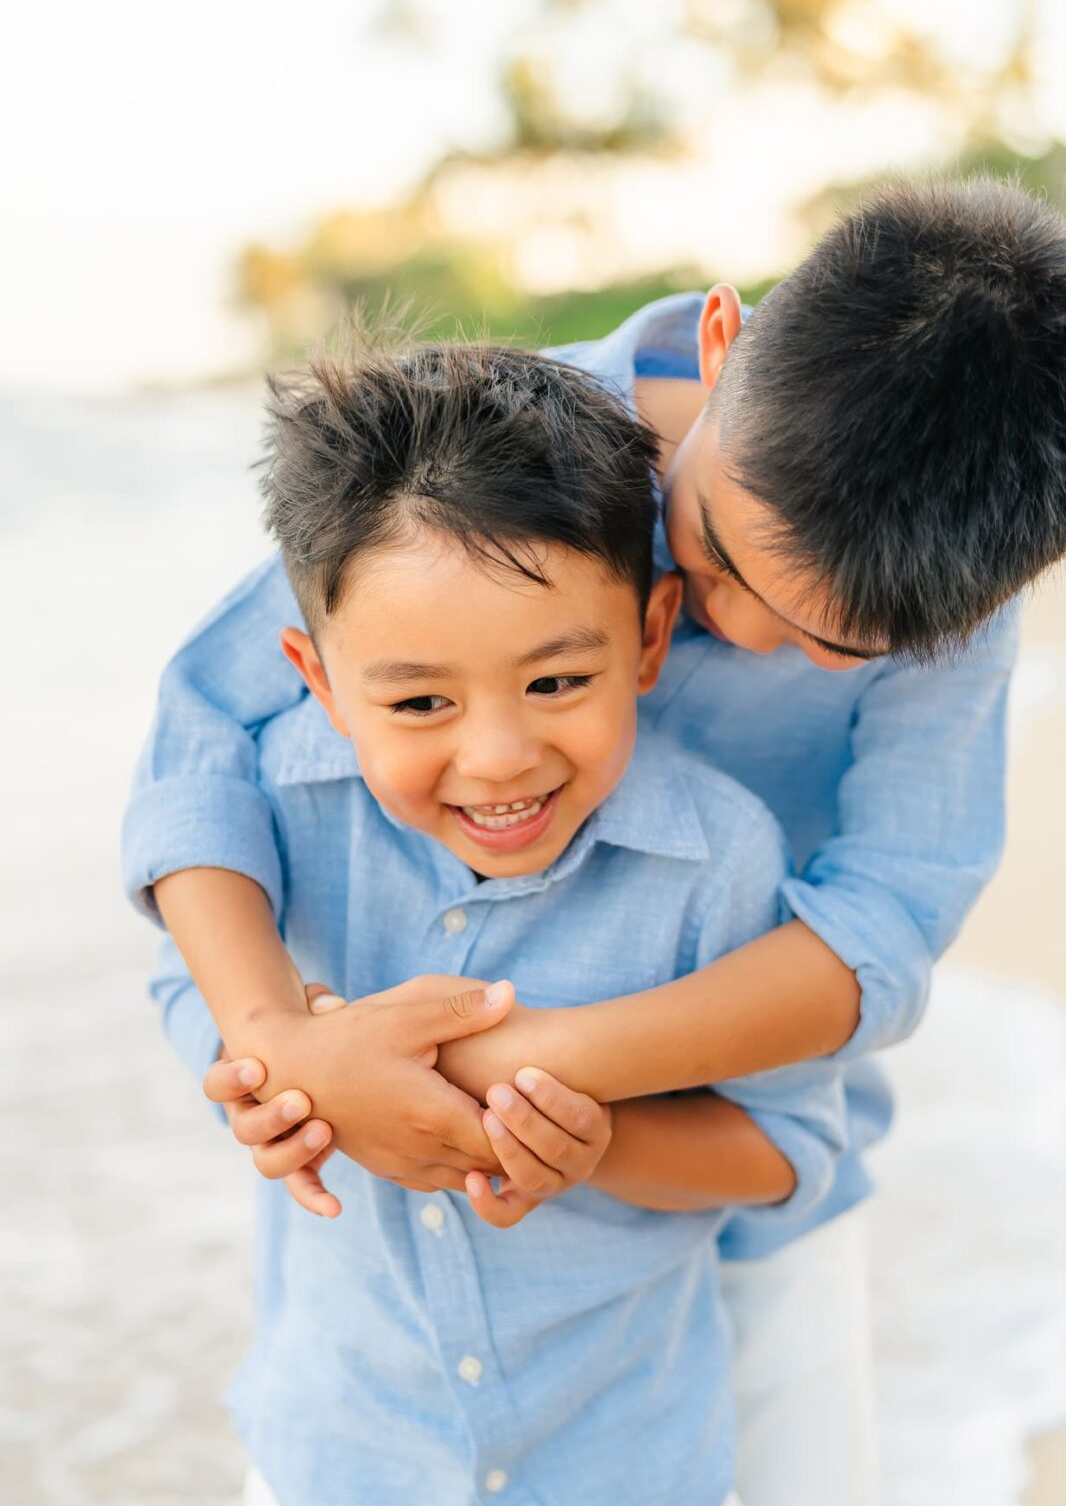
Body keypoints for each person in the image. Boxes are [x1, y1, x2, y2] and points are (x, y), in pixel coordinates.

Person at [124, 177, 1066, 1504]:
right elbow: (204, 740)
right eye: (717, 561)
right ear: (724, 341)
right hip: (412, 1234)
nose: (732, 635)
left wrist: (520, 1073)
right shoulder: (491, 463)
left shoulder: (945, 593)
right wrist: (282, 1043)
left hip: (742, 1160)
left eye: (826, 647)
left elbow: (887, 923)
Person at [144, 336, 846, 1506]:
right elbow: (189, 982)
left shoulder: (718, 860)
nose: (499, 755)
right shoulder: (280, 810)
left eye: (557, 682)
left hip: (625, 1462)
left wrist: (597, 1145)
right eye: (419, 701)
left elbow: (787, 1150)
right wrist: (271, 1068)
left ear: (650, 637)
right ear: (317, 682)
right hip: (340, 1451)